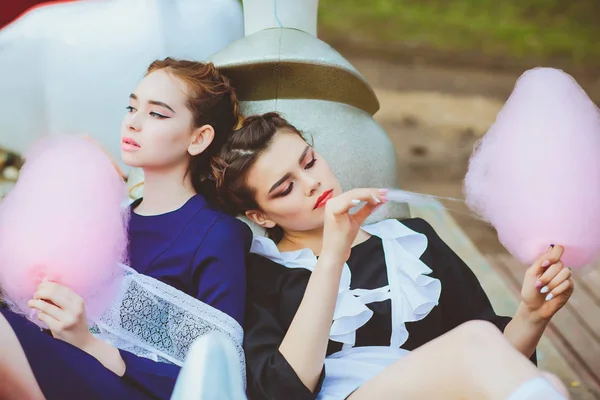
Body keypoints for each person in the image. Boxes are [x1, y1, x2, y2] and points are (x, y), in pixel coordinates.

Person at [211, 112, 574, 399]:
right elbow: (282, 390)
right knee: (478, 338)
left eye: (309, 162)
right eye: (286, 188)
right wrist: (334, 254)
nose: (312, 184)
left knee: (548, 384)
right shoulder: (259, 272)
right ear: (260, 216)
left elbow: (493, 362)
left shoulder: (412, 242)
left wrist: (532, 315)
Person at [0, 58, 252, 400]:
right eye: (131, 107)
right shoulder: (105, 217)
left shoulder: (217, 235)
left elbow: (220, 376)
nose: (133, 122)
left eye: (156, 114)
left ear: (198, 138)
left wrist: (88, 341)